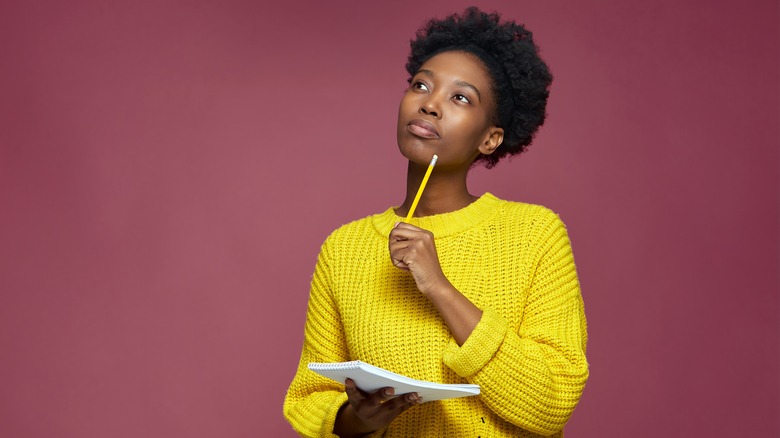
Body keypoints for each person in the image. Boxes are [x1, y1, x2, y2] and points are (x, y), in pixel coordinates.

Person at [283, 7, 588, 437]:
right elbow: (311, 396)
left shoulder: (535, 234)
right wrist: (357, 420)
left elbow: (551, 402)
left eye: (460, 98)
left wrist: (438, 287)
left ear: (490, 138)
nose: (429, 104)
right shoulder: (344, 248)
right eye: (421, 85)